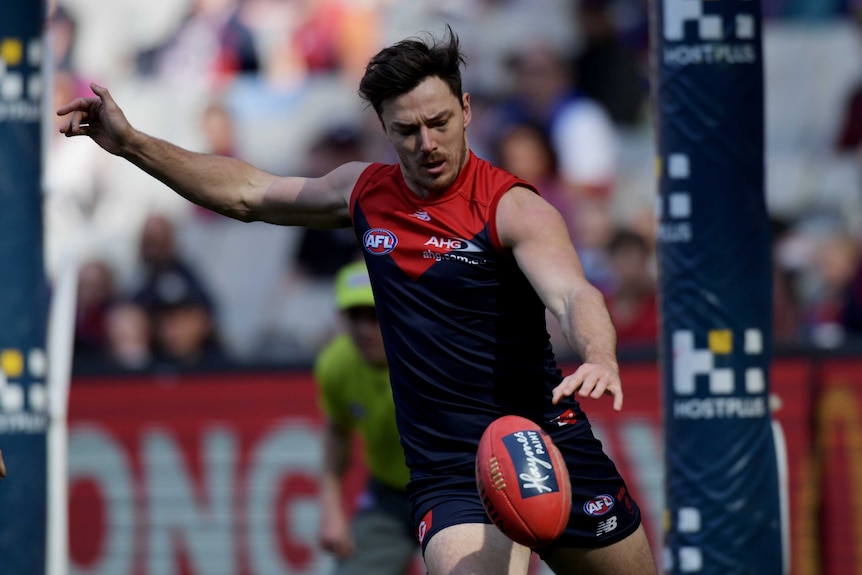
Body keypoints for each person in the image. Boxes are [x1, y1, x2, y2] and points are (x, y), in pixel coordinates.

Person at [57, 26, 656, 574]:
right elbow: (246, 194)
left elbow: (572, 293)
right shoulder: (364, 192)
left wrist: (599, 356)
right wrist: (132, 143)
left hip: (545, 442)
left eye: (440, 122)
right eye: (406, 130)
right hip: (450, 466)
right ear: (384, 127)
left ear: (467, 110)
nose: (427, 143)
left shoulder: (512, 208)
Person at [315, 260, 417, 574]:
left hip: (455, 488)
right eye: (354, 316)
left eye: (374, 315)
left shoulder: (428, 354)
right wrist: (331, 510)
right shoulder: (335, 365)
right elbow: (337, 431)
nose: (363, 329)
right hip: (390, 495)